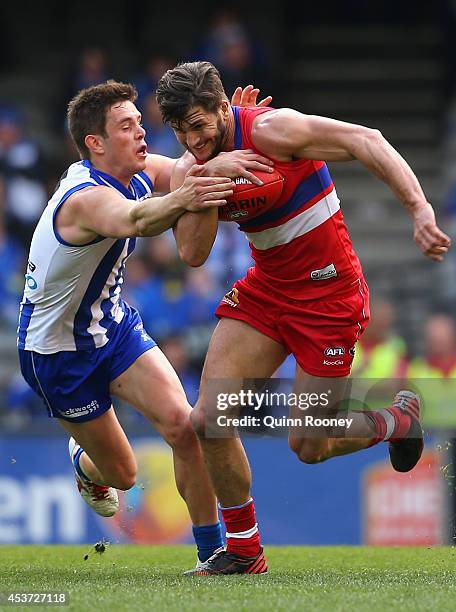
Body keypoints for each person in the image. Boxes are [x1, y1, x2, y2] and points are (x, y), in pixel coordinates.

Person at [156, 61, 452, 575]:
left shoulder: (275, 131)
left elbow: (368, 139)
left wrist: (420, 209)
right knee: (208, 418)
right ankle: (245, 551)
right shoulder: (195, 166)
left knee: (309, 443)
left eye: (200, 127)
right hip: (267, 293)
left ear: (225, 109)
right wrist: (205, 180)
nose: (193, 141)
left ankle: (396, 418)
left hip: (328, 300)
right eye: (182, 132)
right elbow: (193, 253)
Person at [16, 79, 274, 570]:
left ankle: (211, 554)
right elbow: (138, 219)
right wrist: (190, 190)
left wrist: (227, 135)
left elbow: (182, 169)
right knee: (124, 474)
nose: (141, 132)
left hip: (112, 328)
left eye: (139, 121)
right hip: (56, 353)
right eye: (127, 125)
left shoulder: (136, 169)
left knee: (187, 426)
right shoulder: (83, 197)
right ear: (96, 143)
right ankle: (85, 463)